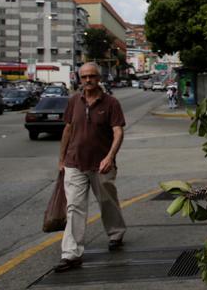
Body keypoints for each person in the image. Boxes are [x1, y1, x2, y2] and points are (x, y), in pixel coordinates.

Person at [54, 62, 126, 273]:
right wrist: (61, 159)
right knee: (74, 207)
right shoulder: (74, 101)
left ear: (98, 78)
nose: (87, 80)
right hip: (74, 163)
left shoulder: (111, 103)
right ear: (79, 78)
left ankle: (115, 233)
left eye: (92, 76)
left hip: (101, 164)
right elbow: (68, 130)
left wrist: (110, 157)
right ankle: (71, 254)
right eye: (84, 77)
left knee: (107, 201)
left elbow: (118, 132)